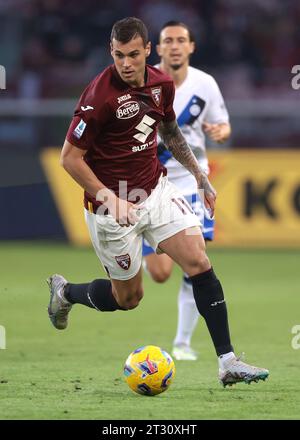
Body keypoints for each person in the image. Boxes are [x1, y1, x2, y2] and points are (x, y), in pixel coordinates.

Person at [46, 17, 269, 387]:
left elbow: (169, 131)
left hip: (155, 190)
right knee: (128, 298)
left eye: (134, 54)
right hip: (110, 209)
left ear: (148, 51)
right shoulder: (98, 96)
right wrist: (109, 198)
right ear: (111, 53)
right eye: (119, 55)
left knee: (198, 261)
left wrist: (199, 174)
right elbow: (69, 159)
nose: (126, 63)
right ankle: (66, 292)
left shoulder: (161, 84)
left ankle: (228, 361)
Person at [143, 21, 231, 361]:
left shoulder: (205, 84)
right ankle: (139, 239)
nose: (176, 46)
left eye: (182, 40)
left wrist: (219, 133)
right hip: (153, 181)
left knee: (196, 263)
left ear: (191, 47)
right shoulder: (145, 82)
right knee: (161, 274)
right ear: (158, 48)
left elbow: (222, 124)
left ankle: (182, 342)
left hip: (194, 181)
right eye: (169, 41)